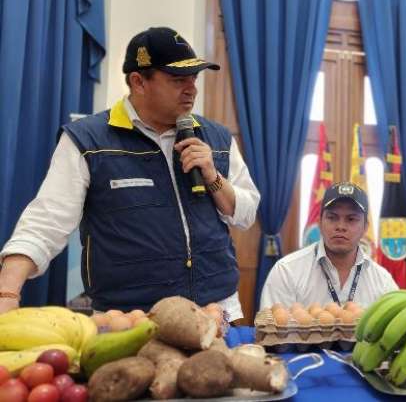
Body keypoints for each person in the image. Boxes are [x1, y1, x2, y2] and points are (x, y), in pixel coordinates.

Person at [0, 27, 260, 320]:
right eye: (178, 79)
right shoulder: (88, 140)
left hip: (216, 311)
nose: (192, 89)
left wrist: (213, 176)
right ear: (138, 81)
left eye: (194, 77)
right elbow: (45, 223)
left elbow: (246, 214)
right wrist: (8, 293)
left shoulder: (217, 138)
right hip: (129, 319)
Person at [259, 182, 398, 309]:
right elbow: (272, 332)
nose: (341, 226)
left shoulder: (382, 281)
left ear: (365, 228)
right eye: (332, 218)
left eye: (351, 219)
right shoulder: (286, 271)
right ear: (319, 223)